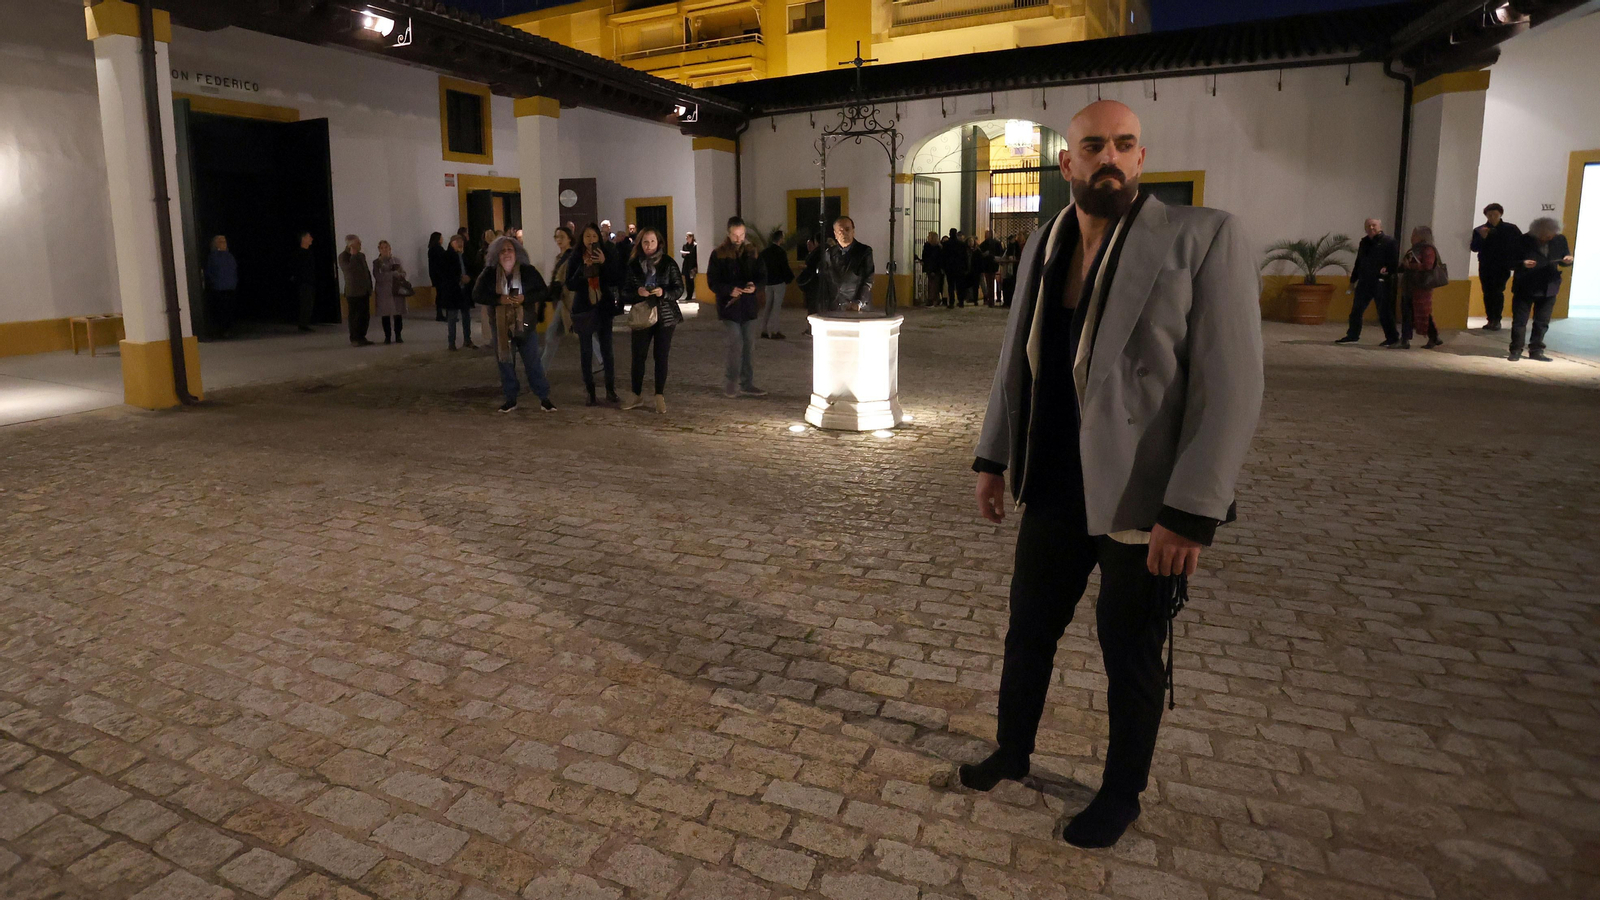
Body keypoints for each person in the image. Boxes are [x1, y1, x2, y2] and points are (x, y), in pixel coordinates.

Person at [967, 100, 1263, 849]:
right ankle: (1012, 749)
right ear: (1066, 163)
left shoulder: (1202, 238)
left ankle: (1121, 793)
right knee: (1028, 631)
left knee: (1129, 656)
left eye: (1124, 145)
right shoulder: (1044, 243)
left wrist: (1192, 511)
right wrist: (992, 457)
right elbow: (1017, 361)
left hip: (1144, 501)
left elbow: (1230, 387)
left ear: (1140, 159)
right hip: (1055, 486)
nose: (1109, 157)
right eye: (1093, 145)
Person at [473, 236, 556, 413]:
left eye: (510, 249)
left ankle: (544, 397)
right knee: (505, 362)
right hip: (501, 327)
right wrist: (499, 299)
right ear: (496, 255)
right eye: (502, 251)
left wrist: (525, 298)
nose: (506, 253)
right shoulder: (489, 273)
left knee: (533, 361)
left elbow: (543, 291)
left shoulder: (528, 271)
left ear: (517, 252)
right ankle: (511, 398)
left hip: (525, 324)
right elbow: (477, 294)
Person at [623, 228, 685, 413]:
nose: (649, 246)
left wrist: (663, 293)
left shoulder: (668, 263)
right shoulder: (634, 265)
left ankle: (659, 395)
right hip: (643, 314)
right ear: (640, 244)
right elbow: (624, 292)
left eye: (652, 241)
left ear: (659, 243)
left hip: (665, 316)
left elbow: (679, 289)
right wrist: (638, 293)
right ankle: (636, 394)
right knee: (638, 356)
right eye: (645, 242)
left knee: (661, 356)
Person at [707, 216, 768, 398]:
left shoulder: (753, 252)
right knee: (735, 343)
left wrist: (754, 286)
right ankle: (731, 382)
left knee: (749, 345)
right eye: (735, 235)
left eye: (741, 234)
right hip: (729, 307)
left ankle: (747, 383)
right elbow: (712, 281)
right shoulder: (718, 254)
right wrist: (728, 290)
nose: (739, 239)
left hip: (749, 306)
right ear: (729, 233)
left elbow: (762, 276)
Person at [564, 223, 624, 405]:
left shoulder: (609, 252)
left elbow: (617, 278)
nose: (591, 240)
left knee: (607, 349)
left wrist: (604, 263)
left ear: (599, 238)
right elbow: (570, 284)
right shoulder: (575, 257)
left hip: (604, 307)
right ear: (582, 239)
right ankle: (590, 391)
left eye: (594, 237)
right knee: (586, 350)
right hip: (584, 307)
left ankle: (610, 389)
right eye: (587, 237)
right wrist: (583, 269)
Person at [1508, 217, 1573, 362]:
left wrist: (1568, 260)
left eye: (1551, 235)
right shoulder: (1522, 240)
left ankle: (1536, 350)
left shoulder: (1559, 239)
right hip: (1525, 285)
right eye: (1545, 235)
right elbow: (1510, 262)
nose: (1548, 238)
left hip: (1549, 286)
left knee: (1542, 321)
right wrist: (1523, 264)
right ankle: (1516, 350)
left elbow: (1564, 259)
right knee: (1520, 321)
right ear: (1536, 233)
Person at [1337, 218, 1400, 345]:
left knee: (1384, 311)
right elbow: (1359, 262)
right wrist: (1353, 280)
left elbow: (1394, 263)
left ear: (1380, 227)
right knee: (1356, 310)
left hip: (1381, 282)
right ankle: (1352, 335)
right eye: (1368, 226)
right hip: (1364, 281)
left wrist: (1387, 269)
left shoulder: (1389, 242)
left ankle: (1392, 338)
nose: (1371, 228)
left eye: (1374, 225)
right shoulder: (1364, 242)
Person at [1470, 203, 1522, 332]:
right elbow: (1474, 248)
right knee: (1487, 292)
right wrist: (1483, 237)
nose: (1492, 217)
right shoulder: (1480, 230)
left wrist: (1516, 261)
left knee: (1498, 291)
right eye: (1490, 215)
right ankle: (1490, 319)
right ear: (1486, 215)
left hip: (1502, 266)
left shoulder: (1510, 229)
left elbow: (1520, 244)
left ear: (1500, 215)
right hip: (1486, 265)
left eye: (1495, 215)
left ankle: (1497, 320)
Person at [816, 216, 875, 314]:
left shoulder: (864, 251)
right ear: (835, 234)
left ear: (853, 231)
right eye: (840, 231)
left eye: (847, 229)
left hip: (857, 306)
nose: (844, 233)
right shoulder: (829, 253)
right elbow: (826, 280)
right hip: (835, 306)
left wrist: (859, 302)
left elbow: (868, 278)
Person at [1400, 226, 1443, 349]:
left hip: (1421, 286)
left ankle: (1406, 340)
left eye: (1414, 234)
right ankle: (1432, 337)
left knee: (1421, 312)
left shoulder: (1428, 249)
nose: (1412, 237)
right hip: (1410, 285)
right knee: (1411, 312)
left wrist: (1411, 266)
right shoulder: (1414, 249)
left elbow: (1428, 266)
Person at [542, 226, 579, 371]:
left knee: (574, 330)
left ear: (569, 238)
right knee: (555, 333)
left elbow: (563, 278)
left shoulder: (572, 256)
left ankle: (600, 359)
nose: (559, 240)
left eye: (562, 237)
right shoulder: (560, 256)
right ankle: (542, 366)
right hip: (563, 300)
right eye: (557, 237)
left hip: (568, 299)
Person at [442, 234, 476, 350]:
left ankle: (467, 339)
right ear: (452, 243)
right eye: (457, 242)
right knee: (452, 317)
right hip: (453, 291)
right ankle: (451, 342)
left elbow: (471, 268)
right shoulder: (447, 256)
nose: (460, 244)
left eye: (461, 242)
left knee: (466, 316)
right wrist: (459, 279)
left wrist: (469, 278)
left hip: (464, 291)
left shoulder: (465, 256)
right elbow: (446, 273)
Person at [759, 228, 795, 338]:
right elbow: (784, 267)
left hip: (768, 283)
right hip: (778, 282)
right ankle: (775, 331)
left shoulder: (765, 252)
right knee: (776, 307)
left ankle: (764, 330)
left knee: (768, 306)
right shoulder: (781, 252)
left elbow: (760, 267)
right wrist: (789, 278)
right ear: (780, 239)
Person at [338, 235, 373, 346]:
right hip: (353, 291)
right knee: (354, 316)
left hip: (364, 290)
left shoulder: (361, 256)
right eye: (358, 243)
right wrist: (353, 256)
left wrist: (369, 286)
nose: (360, 244)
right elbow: (349, 270)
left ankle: (362, 336)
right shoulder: (343, 256)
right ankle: (355, 338)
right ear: (351, 245)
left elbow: (366, 272)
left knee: (365, 315)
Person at [371, 240, 407, 344]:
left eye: (386, 247)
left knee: (398, 314)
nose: (384, 250)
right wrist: (392, 274)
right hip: (383, 292)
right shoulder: (376, 263)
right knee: (385, 315)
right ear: (379, 249)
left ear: (390, 248)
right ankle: (387, 337)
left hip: (396, 291)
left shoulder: (396, 260)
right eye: (382, 248)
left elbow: (403, 273)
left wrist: (399, 274)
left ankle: (398, 335)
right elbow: (378, 276)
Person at [203, 234, 237, 340]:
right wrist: (213, 282)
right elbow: (209, 272)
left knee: (229, 310)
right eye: (220, 241)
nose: (223, 243)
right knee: (220, 310)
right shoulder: (213, 257)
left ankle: (228, 330)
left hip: (230, 287)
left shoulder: (230, 256)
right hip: (218, 288)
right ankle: (221, 330)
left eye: (224, 241)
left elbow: (234, 270)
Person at [291, 231, 316, 332]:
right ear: (303, 239)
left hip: (310, 282)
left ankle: (305, 323)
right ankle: (302, 324)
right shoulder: (298, 254)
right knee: (305, 303)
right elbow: (296, 269)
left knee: (309, 303)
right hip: (303, 283)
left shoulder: (309, 253)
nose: (311, 239)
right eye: (309, 237)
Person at [942, 229, 970, 308]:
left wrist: (943, 267)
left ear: (949, 234)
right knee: (959, 286)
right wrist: (966, 267)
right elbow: (965, 257)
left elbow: (943, 257)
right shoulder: (961, 244)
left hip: (949, 268)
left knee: (951, 286)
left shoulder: (946, 244)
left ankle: (951, 302)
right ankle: (961, 301)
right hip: (959, 268)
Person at [427, 232, 449, 322]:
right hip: (441, 275)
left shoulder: (431, 249)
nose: (442, 239)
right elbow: (444, 261)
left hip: (435, 275)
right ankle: (442, 314)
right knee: (443, 295)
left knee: (439, 294)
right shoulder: (438, 249)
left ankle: (439, 313)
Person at [979, 230, 1004, 306]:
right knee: (990, 283)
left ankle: (992, 299)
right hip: (991, 265)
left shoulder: (985, 244)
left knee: (991, 283)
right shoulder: (996, 243)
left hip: (991, 265)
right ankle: (991, 299)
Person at [921, 232, 943, 307]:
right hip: (930, 268)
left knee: (934, 285)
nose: (928, 237)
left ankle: (932, 299)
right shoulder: (928, 246)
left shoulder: (937, 247)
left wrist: (934, 269)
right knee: (932, 285)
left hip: (935, 268)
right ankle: (935, 299)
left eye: (929, 236)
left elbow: (937, 260)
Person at [681, 232, 700, 304]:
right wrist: (684, 254)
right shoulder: (685, 246)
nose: (686, 238)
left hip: (692, 265)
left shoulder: (695, 246)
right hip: (686, 264)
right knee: (686, 280)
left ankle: (690, 295)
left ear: (691, 237)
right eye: (686, 237)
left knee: (691, 280)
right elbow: (683, 256)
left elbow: (695, 255)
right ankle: (688, 294)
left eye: (688, 237)